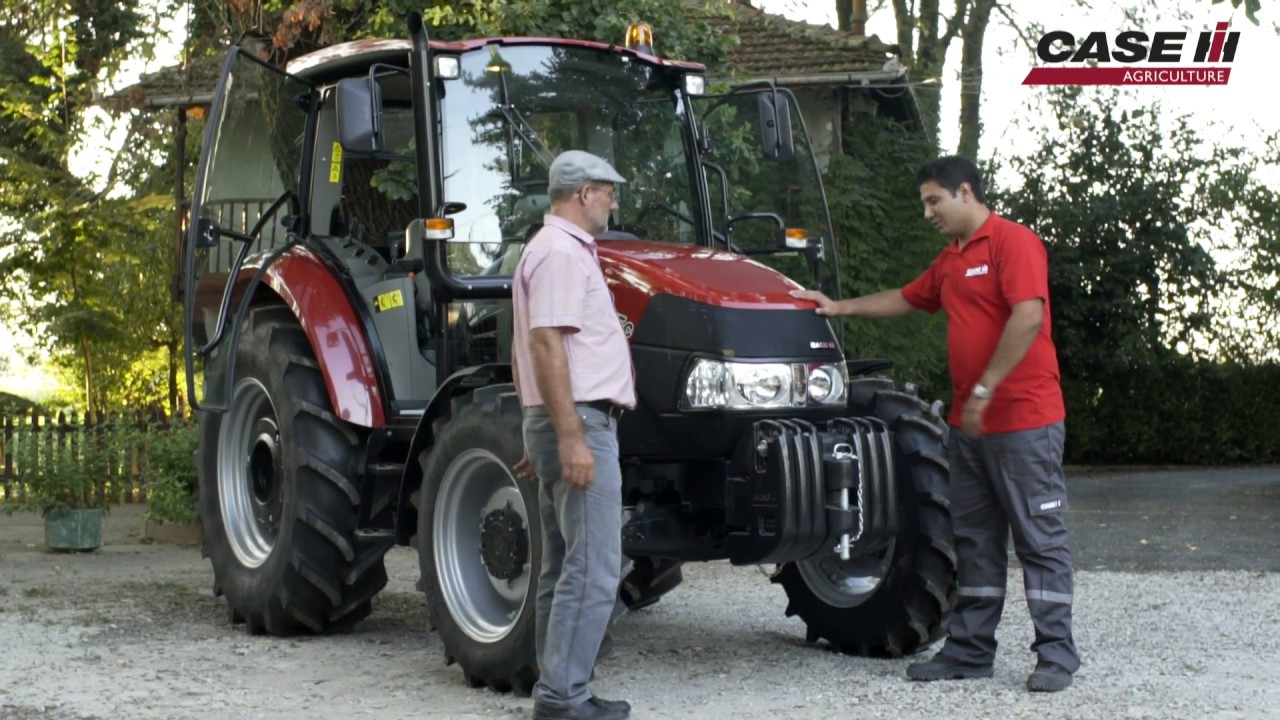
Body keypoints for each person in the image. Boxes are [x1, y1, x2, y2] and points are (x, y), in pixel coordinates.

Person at [791, 155, 1080, 693]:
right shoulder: (952, 260)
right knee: (973, 540)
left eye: (933, 200)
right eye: (924, 202)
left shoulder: (1013, 242)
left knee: (1039, 540)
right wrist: (838, 308)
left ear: (965, 191)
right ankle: (971, 651)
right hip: (968, 429)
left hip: (1024, 422)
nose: (927, 212)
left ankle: (1056, 656)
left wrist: (988, 388)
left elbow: (1029, 316)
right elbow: (905, 297)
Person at [511, 150, 637, 720]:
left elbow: (538, 348)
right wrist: (566, 435)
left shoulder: (554, 250)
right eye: (609, 190)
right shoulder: (562, 252)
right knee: (592, 564)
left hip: (566, 416)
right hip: (582, 419)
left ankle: (559, 688)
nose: (614, 200)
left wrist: (542, 427)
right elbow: (545, 344)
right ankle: (563, 697)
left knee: (564, 564)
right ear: (583, 193)